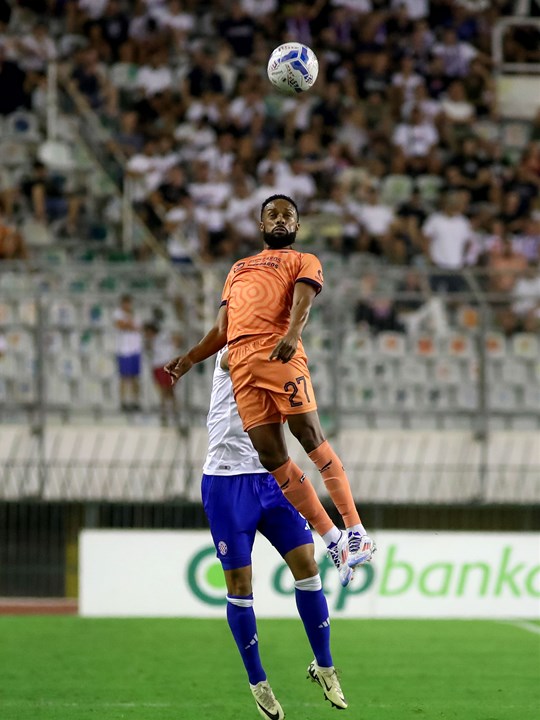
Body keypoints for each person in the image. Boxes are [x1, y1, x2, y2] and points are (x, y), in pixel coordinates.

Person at [165, 194, 375, 584]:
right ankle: (333, 539)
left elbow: (303, 301)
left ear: (296, 226)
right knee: (271, 456)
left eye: (288, 215)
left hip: (279, 353)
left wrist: (294, 334)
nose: (280, 219)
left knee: (308, 435)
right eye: (272, 215)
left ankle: (356, 530)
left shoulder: (303, 260)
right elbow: (222, 330)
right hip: (242, 367)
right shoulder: (238, 269)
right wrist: (191, 358)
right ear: (261, 225)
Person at [202, 347, 347, 719]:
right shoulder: (232, 351)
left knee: (308, 567)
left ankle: (325, 666)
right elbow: (250, 357)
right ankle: (258, 682)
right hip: (226, 481)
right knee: (239, 585)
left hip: (272, 479)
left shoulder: (283, 359)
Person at [113, 293, 143, 412]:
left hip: (135, 349)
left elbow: (137, 327)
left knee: (135, 377)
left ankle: (135, 401)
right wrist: (130, 324)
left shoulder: (136, 314)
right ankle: (123, 401)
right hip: (123, 350)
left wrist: (129, 324)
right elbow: (122, 325)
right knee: (124, 377)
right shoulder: (118, 313)